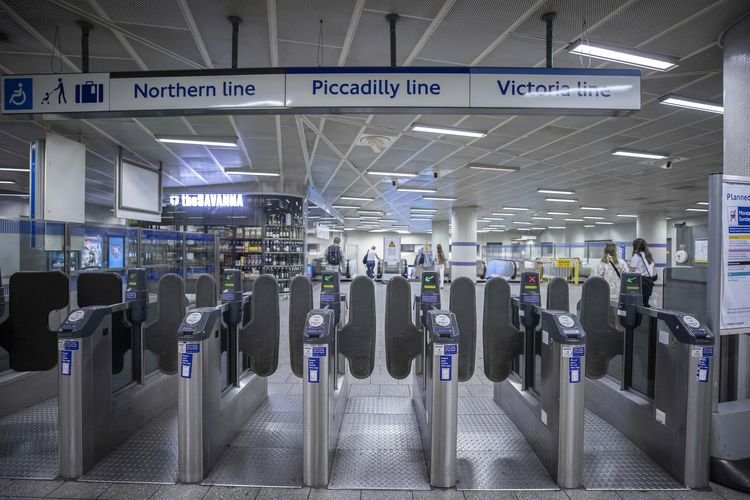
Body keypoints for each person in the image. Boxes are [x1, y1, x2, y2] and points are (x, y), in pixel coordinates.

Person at [629, 238, 656, 307]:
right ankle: (646, 317)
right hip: (649, 283)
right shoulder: (649, 256)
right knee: (645, 303)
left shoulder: (637, 256)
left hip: (639, 283)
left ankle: (638, 317)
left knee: (638, 304)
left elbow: (631, 271)